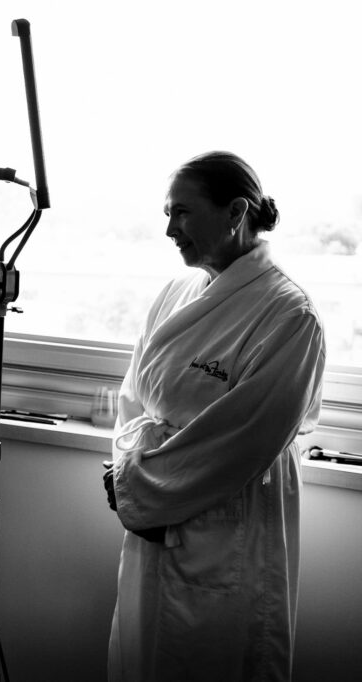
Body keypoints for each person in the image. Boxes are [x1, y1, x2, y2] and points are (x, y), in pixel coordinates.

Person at [101, 151, 326, 681]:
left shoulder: (289, 316)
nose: (169, 229)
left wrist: (143, 489)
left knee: (218, 656)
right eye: (166, 213)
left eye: (182, 212)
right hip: (152, 506)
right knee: (144, 653)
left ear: (235, 212)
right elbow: (134, 398)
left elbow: (242, 440)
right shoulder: (176, 293)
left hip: (229, 520)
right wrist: (123, 470)